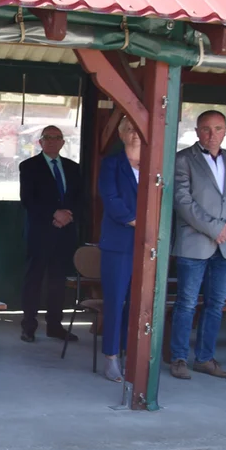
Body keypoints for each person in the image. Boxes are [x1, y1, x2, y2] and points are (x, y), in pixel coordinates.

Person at [169, 110, 226, 380]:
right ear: (196, 131)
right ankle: (179, 358)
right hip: (194, 243)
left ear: (225, 131)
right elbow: (182, 201)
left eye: (217, 128)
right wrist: (216, 228)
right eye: (206, 129)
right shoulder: (183, 159)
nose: (212, 134)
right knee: (187, 303)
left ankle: (205, 358)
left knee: (216, 305)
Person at [18, 125, 82, 343]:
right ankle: (28, 326)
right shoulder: (29, 166)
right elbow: (28, 199)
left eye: (57, 138)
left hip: (65, 233)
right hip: (40, 231)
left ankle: (55, 325)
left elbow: (80, 198)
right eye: (48, 138)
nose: (53, 141)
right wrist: (54, 213)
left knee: (58, 280)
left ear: (63, 142)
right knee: (33, 279)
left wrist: (68, 215)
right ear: (40, 142)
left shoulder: (73, 168)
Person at [97, 119, 141, 383]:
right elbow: (110, 198)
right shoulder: (111, 164)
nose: (135, 134)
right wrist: (136, 221)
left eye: (139, 128)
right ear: (121, 133)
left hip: (148, 246)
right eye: (130, 128)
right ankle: (111, 357)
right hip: (118, 243)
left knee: (140, 304)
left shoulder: (153, 163)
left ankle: (133, 353)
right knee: (115, 301)